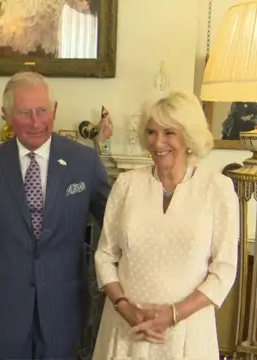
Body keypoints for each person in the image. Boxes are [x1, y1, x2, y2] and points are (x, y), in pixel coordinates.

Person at [0, 71, 111, 359]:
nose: (36, 122)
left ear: (54, 110)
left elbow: (114, 224)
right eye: (24, 113)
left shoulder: (84, 162)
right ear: (6, 115)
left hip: (63, 306)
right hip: (4, 306)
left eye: (42, 111)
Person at [92, 91, 239, 359]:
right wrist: (124, 307)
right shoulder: (126, 185)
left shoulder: (217, 189)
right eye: (151, 132)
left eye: (169, 132)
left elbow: (224, 270)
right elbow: (104, 255)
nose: (158, 142)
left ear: (189, 136)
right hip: (126, 329)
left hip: (187, 334)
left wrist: (172, 315)